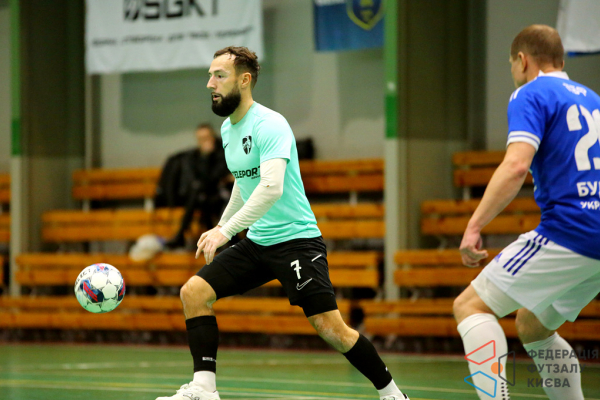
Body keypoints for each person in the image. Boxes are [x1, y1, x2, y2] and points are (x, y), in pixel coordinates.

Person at [156, 46, 410, 400]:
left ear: (244, 80)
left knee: (331, 329)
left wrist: (225, 231)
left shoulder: (270, 124)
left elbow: (271, 188)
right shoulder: (228, 129)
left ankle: (392, 394)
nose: (210, 84)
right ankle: (204, 388)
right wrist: (221, 224)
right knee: (194, 292)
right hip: (258, 242)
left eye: (219, 76)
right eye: (210, 75)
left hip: (296, 242)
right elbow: (244, 185)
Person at [453, 25, 600, 400]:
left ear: (522, 61)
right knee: (533, 325)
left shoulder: (530, 93)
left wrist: (474, 225)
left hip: (570, 230)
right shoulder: (593, 100)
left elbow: (517, 166)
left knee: (470, 305)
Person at [155, 123, 230, 249]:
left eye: (207, 138)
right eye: (201, 139)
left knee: (199, 194)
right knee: (197, 194)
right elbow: (195, 179)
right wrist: (204, 158)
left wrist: (208, 157)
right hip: (202, 196)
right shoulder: (195, 156)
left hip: (218, 195)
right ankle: (189, 237)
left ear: (213, 137)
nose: (204, 142)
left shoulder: (222, 153)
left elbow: (213, 178)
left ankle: (181, 235)